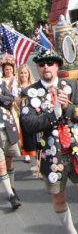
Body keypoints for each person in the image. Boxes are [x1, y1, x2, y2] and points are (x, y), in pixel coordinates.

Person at [20, 50, 78, 234]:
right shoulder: (29, 92)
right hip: (52, 157)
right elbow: (28, 124)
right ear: (37, 67)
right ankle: (70, 231)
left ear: (57, 65)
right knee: (59, 199)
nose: (46, 67)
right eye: (41, 64)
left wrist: (68, 108)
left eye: (50, 63)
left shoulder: (72, 85)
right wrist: (53, 114)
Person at [0, 59, 20, 210]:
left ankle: (12, 189)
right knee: (1, 165)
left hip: (6, 127)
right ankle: (12, 196)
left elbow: (10, 99)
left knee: (9, 161)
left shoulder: (1, 84)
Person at [14, 64, 37, 172]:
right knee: (24, 136)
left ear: (29, 74)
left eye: (25, 73)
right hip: (21, 115)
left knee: (36, 137)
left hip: (34, 114)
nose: (23, 75)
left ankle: (38, 161)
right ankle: (27, 154)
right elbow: (16, 104)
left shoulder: (34, 85)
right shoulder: (16, 87)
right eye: (21, 73)